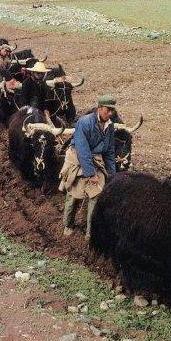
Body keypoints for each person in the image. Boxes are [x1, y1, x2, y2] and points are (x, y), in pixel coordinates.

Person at [59, 95, 117, 239]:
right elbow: (82, 149)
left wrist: (112, 175)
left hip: (96, 159)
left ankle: (90, 232)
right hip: (77, 158)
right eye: (107, 110)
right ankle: (68, 225)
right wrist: (91, 174)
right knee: (74, 193)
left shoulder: (110, 126)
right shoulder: (84, 122)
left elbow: (109, 151)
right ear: (99, 108)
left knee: (96, 195)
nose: (110, 113)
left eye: (112, 111)